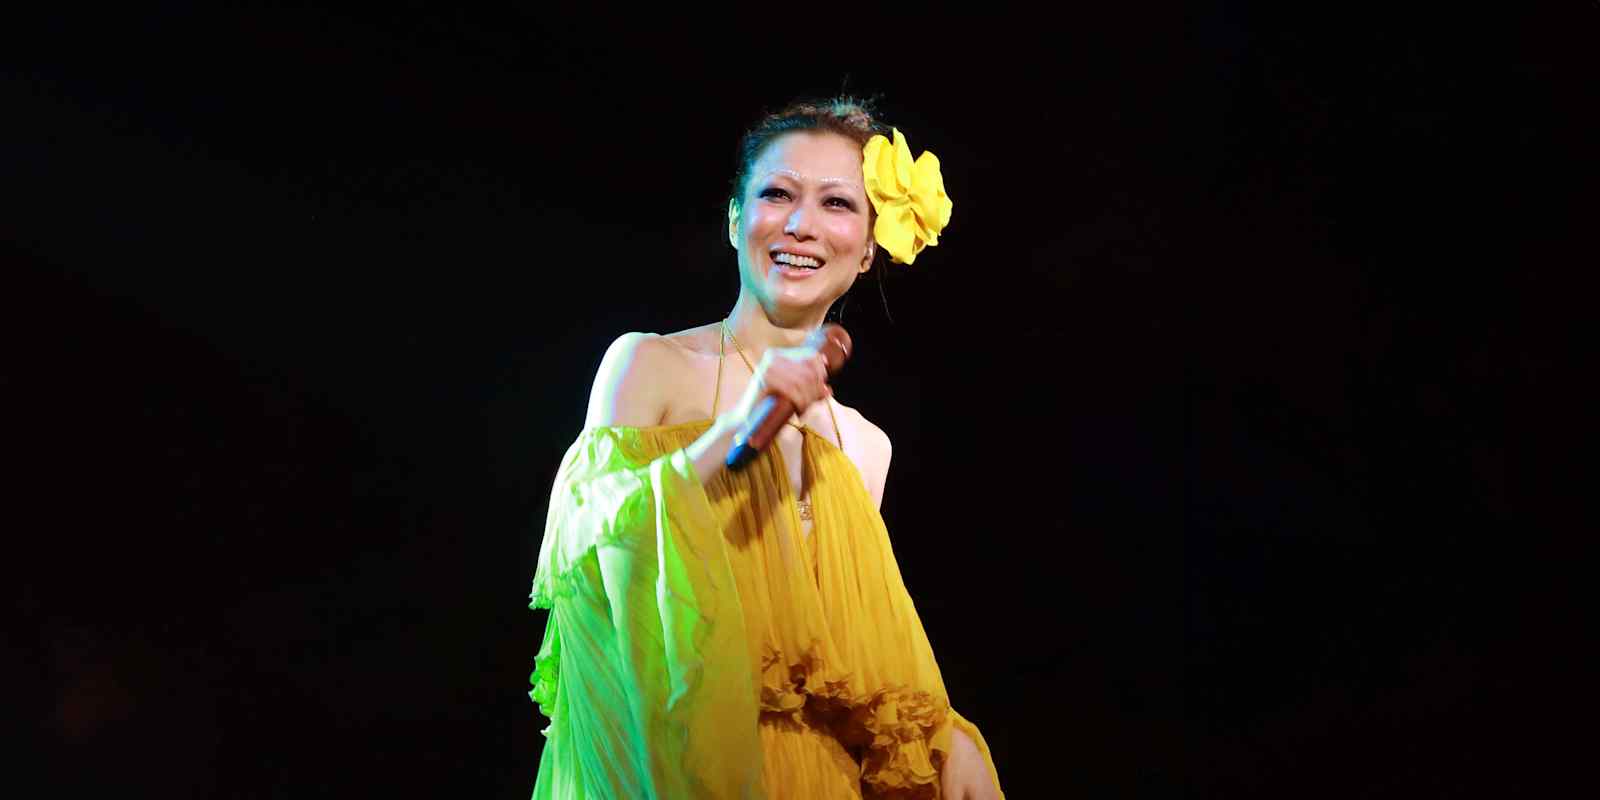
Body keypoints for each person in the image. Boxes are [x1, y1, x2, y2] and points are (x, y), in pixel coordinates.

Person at [528, 97, 1003, 799]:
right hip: (673, 768)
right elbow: (583, 554)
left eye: (836, 203)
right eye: (777, 194)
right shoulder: (648, 366)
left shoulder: (865, 446)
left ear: (868, 247)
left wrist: (946, 738)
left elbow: (854, 661)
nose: (801, 224)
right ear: (734, 219)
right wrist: (727, 436)